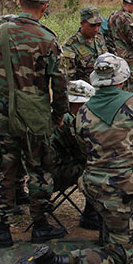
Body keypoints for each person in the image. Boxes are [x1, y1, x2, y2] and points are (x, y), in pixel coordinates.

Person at [15, 53, 133, 264]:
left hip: (91, 186)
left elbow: (85, 150)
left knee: (111, 223)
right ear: (121, 78)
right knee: (120, 256)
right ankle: (59, 261)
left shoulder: (82, 112)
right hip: (123, 189)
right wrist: (132, 166)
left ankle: (107, 235)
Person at [0, 0, 68, 246]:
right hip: (35, 116)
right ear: (44, 6)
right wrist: (58, 115)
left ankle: (2, 228)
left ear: (20, 3)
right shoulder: (48, 39)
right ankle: (40, 225)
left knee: (4, 169)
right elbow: (59, 84)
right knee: (38, 169)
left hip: (0, 115)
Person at [50, 80, 99, 230]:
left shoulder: (57, 116)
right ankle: (90, 215)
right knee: (96, 166)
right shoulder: (69, 122)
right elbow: (85, 153)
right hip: (52, 176)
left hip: (39, 176)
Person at [61, 7, 108, 83]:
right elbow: (69, 80)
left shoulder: (99, 38)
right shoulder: (70, 47)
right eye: (92, 25)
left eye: (99, 25)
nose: (96, 29)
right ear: (82, 24)